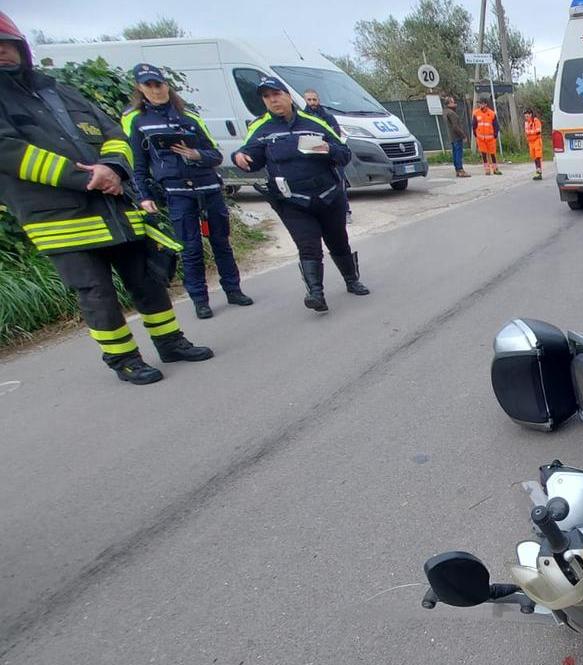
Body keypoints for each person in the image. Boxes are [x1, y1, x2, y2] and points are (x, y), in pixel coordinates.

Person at [0, 12, 212, 385]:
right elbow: (9, 152)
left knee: (147, 279)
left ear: (21, 47)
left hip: (114, 205)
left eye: (6, 45)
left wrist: (113, 166)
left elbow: (113, 131)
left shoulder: (59, 90)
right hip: (61, 219)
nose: (2, 53)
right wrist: (86, 177)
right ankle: (124, 359)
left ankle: (170, 341)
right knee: (96, 293)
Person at [123, 63, 252, 320]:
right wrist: (144, 196)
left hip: (208, 187)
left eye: (158, 84)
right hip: (177, 191)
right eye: (148, 85)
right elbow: (137, 165)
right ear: (139, 88)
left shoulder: (189, 118)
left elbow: (215, 155)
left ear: (166, 86)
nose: (155, 90)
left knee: (221, 243)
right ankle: (200, 299)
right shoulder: (137, 122)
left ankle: (233, 289)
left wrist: (196, 155)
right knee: (190, 248)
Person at [232, 77, 369, 313]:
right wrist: (240, 158)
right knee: (308, 246)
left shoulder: (314, 122)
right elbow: (250, 156)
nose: (273, 100)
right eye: (267, 96)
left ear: (287, 95)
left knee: (338, 241)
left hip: (327, 195)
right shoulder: (260, 128)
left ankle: (351, 280)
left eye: (276, 94)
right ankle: (316, 294)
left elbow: (344, 154)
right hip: (292, 201)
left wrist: (329, 149)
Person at [302, 88, 351, 224]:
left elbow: (336, 137)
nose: (312, 102)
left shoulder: (328, 117)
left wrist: (328, 147)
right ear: (305, 100)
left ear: (318, 100)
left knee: (340, 184)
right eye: (309, 99)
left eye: (314, 99)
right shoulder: (302, 118)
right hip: (312, 158)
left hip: (331, 157)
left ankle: (345, 211)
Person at [472, 98, 501, 176]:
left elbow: (496, 125)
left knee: (493, 154)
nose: (480, 105)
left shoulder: (492, 113)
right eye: (479, 103)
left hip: (490, 138)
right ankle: (487, 169)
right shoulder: (476, 113)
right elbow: (474, 125)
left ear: (486, 104)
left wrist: (495, 134)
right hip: (481, 138)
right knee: (484, 154)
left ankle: (495, 169)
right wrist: (475, 133)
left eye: (482, 103)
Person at [443, 96, 470, 178]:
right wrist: (463, 136)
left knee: (455, 153)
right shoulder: (451, 113)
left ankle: (457, 170)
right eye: (453, 102)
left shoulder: (445, 112)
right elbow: (455, 127)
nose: (455, 103)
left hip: (452, 137)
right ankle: (460, 170)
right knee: (458, 153)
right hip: (456, 136)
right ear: (449, 103)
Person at [523, 108, 544, 181]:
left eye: (527, 116)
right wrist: (531, 132)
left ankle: (539, 173)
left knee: (538, 156)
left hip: (536, 140)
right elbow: (526, 132)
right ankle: (537, 171)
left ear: (530, 114)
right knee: (534, 157)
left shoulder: (536, 121)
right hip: (530, 142)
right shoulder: (526, 123)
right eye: (525, 116)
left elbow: (538, 131)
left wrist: (530, 132)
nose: (526, 118)